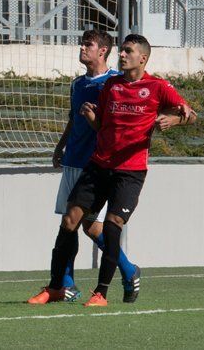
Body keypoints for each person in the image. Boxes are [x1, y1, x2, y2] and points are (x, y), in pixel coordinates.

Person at [28, 34, 196, 307]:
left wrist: (175, 119)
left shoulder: (153, 85)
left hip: (128, 170)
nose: (123, 55)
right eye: (122, 51)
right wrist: (77, 131)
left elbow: (188, 113)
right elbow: (99, 123)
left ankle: (105, 289)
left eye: (127, 51)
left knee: (104, 227)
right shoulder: (105, 86)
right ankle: (59, 285)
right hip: (91, 163)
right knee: (70, 221)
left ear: (142, 57)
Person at [50, 29, 142, 302]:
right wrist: (60, 146)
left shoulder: (114, 83)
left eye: (88, 44)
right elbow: (72, 119)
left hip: (97, 166)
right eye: (82, 43)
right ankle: (124, 271)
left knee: (82, 224)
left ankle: (71, 283)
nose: (82, 48)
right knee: (78, 224)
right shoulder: (77, 84)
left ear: (102, 51)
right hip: (73, 161)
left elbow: (116, 125)